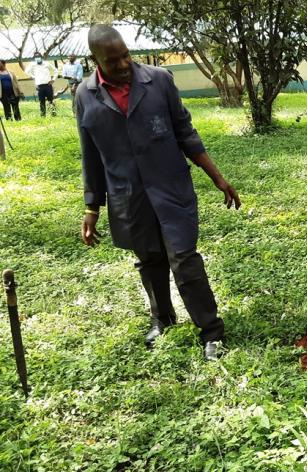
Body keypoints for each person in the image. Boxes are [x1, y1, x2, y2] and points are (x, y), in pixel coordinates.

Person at [77, 25, 241, 361]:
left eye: (126, 55)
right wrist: (92, 207)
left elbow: (186, 133)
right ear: (95, 60)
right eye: (114, 60)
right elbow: (90, 155)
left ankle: (211, 331)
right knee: (149, 260)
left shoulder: (158, 81)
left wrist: (218, 178)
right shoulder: (84, 95)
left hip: (171, 188)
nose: (124, 64)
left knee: (184, 259)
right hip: (128, 196)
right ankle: (162, 318)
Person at [25, 52, 58, 117]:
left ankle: (53, 114)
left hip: (48, 85)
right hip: (39, 86)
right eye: (36, 57)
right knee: (41, 101)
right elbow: (26, 71)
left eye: (39, 57)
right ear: (34, 58)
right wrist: (33, 76)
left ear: (41, 57)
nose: (37, 58)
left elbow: (55, 71)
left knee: (50, 100)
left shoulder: (46, 63)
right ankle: (43, 115)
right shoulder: (32, 64)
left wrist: (53, 79)